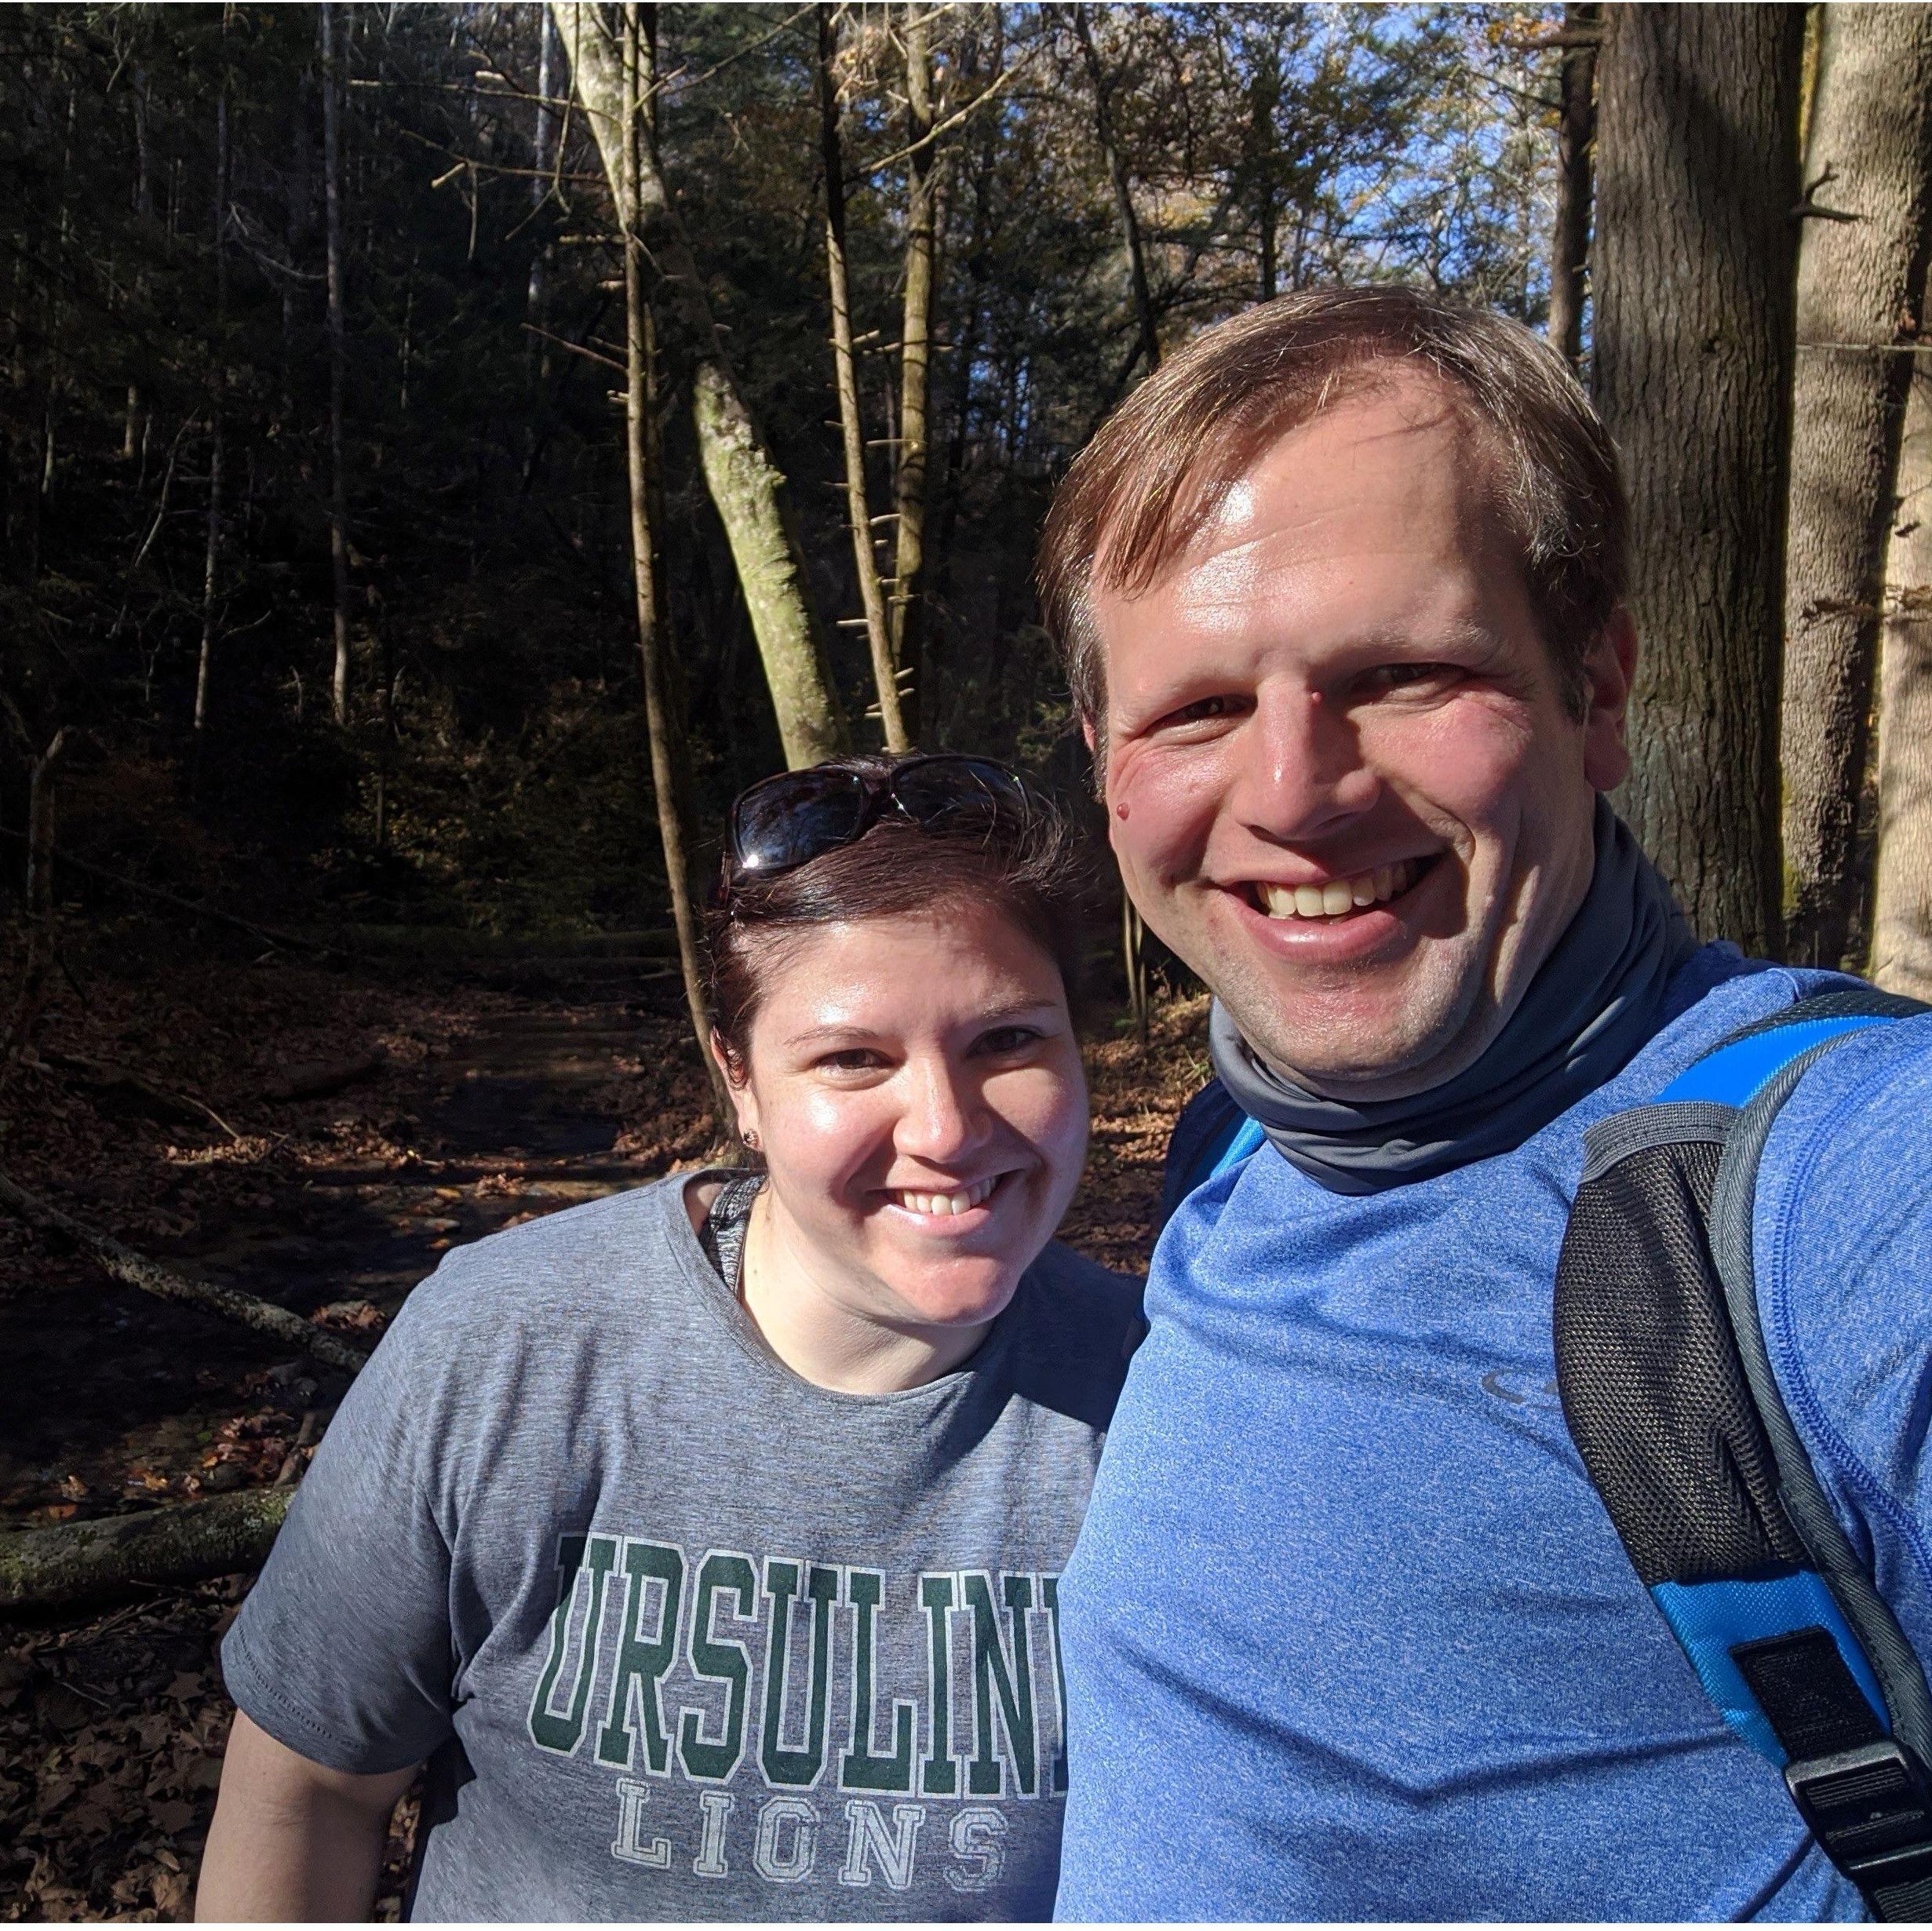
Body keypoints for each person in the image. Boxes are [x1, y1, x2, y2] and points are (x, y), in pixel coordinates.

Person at [1036, 286, 1932, 1920]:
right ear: (1103, 755)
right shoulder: (1236, 1149)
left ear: (1596, 690)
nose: (1297, 791)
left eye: (1400, 672)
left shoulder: (1835, 1192)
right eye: (1200, 707)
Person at [194, 752, 1140, 1923]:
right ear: (738, 1079)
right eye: (852, 1057)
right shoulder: (505, 1348)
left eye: (1006, 1040)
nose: (945, 1128)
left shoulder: (1161, 1402)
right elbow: (310, 1792)